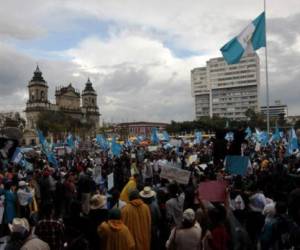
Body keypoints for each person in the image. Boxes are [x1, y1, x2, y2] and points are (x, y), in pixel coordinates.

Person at [139, 186, 161, 250]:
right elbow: (159, 217)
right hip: (153, 227)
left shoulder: (141, 206)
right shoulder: (155, 205)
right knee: (154, 242)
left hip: (143, 227)